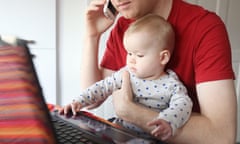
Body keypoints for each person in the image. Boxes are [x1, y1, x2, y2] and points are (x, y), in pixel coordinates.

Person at [71, 0, 238, 143]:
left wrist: (131, 112)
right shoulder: (124, 27)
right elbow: (93, 100)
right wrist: (92, 36)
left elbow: (222, 136)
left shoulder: (204, 27)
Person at [61, 14, 193, 141]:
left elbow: (183, 104)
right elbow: (101, 87)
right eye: (129, 53)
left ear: (163, 57)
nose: (131, 60)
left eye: (139, 55)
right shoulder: (126, 74)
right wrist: (79, 101)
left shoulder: (171, 84)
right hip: (120, 132)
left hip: (151, 138)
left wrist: (168, 121)